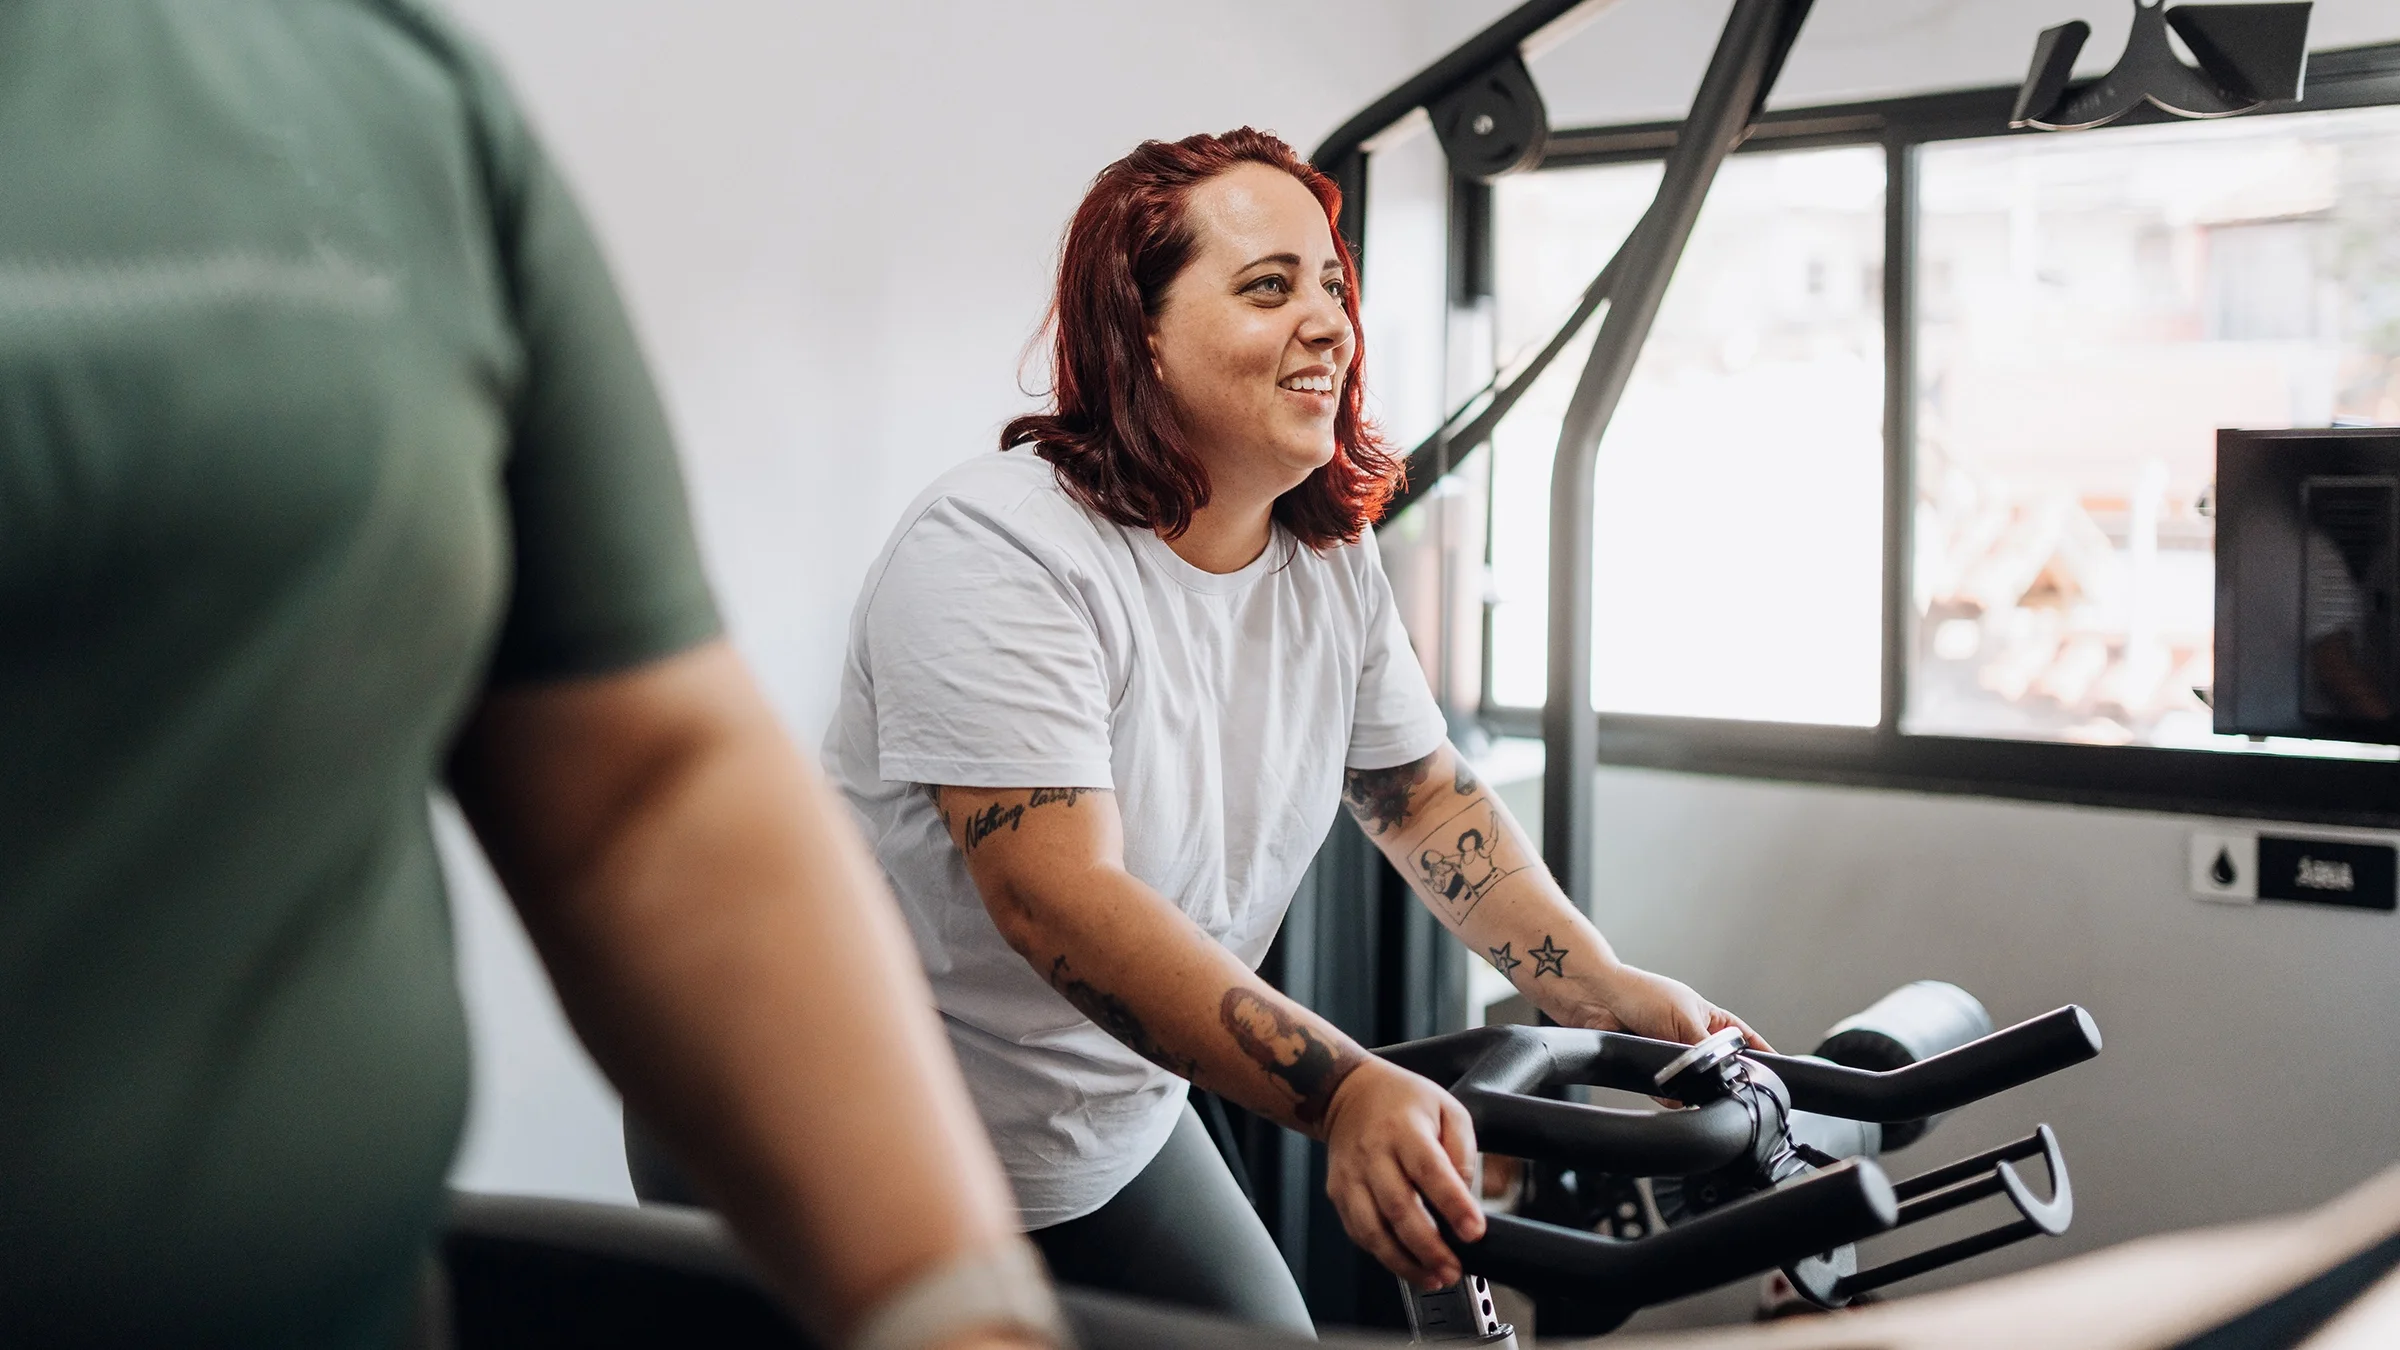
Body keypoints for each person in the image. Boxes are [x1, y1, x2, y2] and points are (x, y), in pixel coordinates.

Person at [0, 4, 1058, 1348]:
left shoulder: (383, 92)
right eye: (1263, 284)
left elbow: (646, 788)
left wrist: (952, 1315)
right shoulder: (989, 546)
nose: (1305, 320)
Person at [823, 127, 1768, 1333]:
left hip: (1103, 1125)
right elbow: (1057, 901)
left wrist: (1603, 988)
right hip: (858, 1122)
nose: (1330, 323)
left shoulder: (1326, 557)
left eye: (1331, 285)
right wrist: (1346, 1092)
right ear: (1138, 334)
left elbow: (1421, 798)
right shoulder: (998, 552)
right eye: (1270, 288)